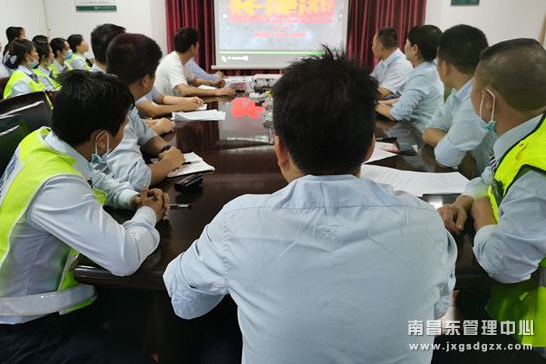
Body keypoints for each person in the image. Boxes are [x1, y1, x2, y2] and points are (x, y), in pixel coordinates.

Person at [164, 48, 457, 364]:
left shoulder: (239, 223)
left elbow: (185, 302)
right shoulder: (426, 224)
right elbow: (438, 308)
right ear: (370, 147)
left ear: (280, 150)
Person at [0, 70, 166, 363]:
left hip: (44, 308)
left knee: (139, 302)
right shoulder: (54, 184)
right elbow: (124, 257)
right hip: (28, 335)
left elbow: (92, 177)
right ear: (101, 139)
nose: (127, 129)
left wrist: (130, 198)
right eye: (124, 125)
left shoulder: (40, 141)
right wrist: (148, 214)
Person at [438, 38, 546, 351]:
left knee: (434, 344)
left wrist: (482, 209)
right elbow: (489, 177)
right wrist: (465, 200)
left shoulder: (536, 171)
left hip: (531, 326)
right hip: (502, 296)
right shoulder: (527, 133)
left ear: (487, 100)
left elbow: (505, 266)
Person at [102, 33, 185, 191]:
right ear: (146, 80)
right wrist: (170, 162)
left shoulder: (122, 98)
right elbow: (136, 179)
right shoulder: (113, 109)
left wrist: (166, 150)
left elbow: (145, 136)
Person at [423, 25, 495, 176]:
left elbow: (444, 158)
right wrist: (461, 152)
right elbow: (429, 131)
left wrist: (454, 149)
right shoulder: (459, 91)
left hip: (495, 184)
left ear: (444, 66)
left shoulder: (478, 97)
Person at [375, 25, 444, 132]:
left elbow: (396, 114)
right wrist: (381, 104)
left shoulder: (422, 75)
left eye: (406, 42)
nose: (404, 46)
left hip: (419, 134)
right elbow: (405, 99)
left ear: (414, 49)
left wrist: (372, 104)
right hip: (420, 128)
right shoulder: (429, 68)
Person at [154, 28, 235, 97]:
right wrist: (216, 92)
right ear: (192, 47)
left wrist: (212, 84)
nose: (198, 46)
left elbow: (194, 81)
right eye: (197, 44)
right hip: (163, 108)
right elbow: (185, 90)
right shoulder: (174, 63)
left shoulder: (180, 59)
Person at [370, 27, 412, 98]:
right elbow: (371, 80)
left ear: (380, 46)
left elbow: (381, 94)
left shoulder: (401, 64)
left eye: (373, 44)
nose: (372, 47)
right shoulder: (385, 60)